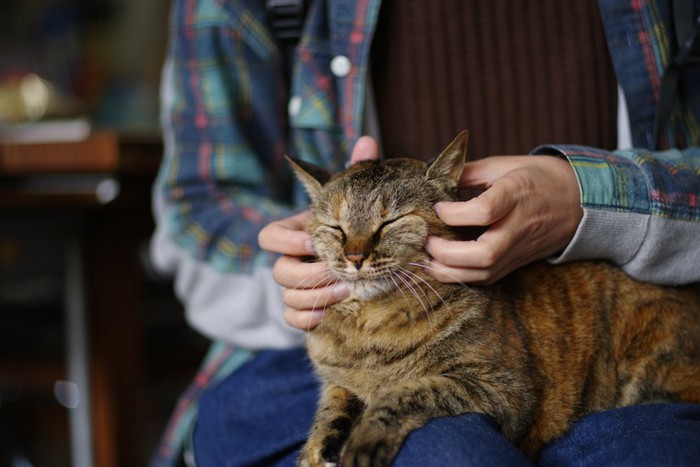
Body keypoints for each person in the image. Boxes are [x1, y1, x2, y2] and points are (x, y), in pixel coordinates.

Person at [150, 0, 700, 465]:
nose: (360, 250)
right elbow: (202, 205)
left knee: (659, 448)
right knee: (446, 453)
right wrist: (296, 277)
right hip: (288, 341)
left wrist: (595, 203)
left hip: (622, 318)